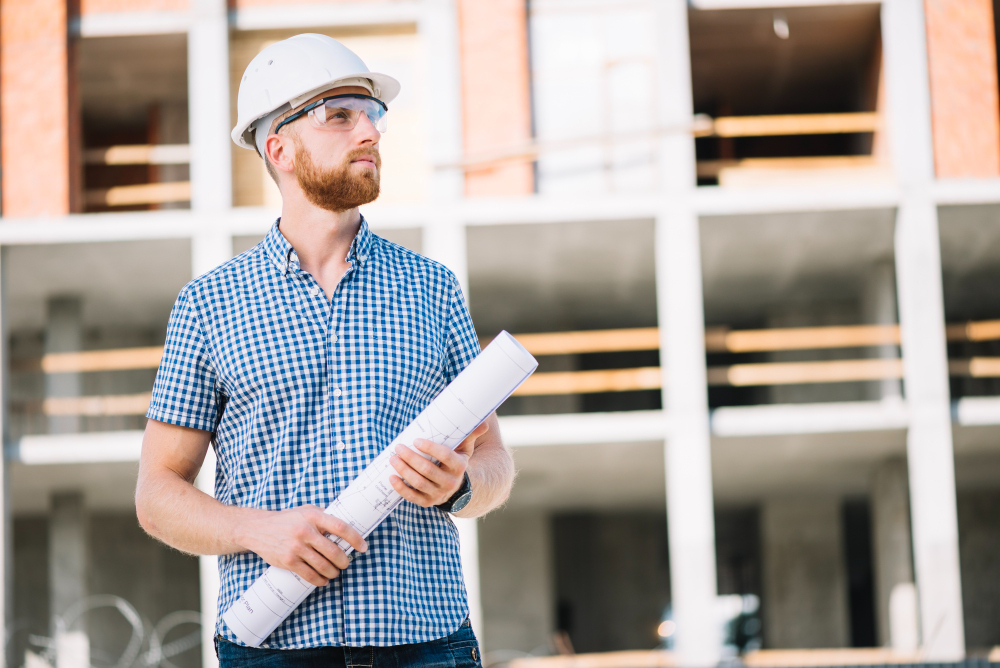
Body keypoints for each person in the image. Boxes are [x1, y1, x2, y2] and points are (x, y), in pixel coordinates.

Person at [134, 33, 514, 668]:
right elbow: (156, 493)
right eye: (341, 115)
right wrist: (255, 530)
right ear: (278, 147)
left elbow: (494, 461)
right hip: (274, 646)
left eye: (372, 115)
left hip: (426, 644)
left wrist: (462, 486)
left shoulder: (432, 288)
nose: (370, 132)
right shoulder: (208, 305)